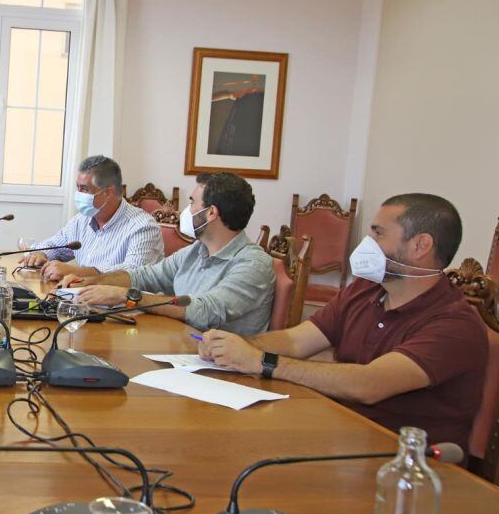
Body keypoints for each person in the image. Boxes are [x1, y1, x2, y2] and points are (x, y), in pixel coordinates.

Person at [199, 193, 487, 453]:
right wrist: (232, 345)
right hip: (340, 434)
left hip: (403, 464)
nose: (366, 244)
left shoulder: (454, 324)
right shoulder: (365, 289)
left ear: (420, 245)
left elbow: (369, 384)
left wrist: (262, 361)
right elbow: (297, 341)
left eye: (378, 234)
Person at [60, 172, 274, 335]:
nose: (185, 211)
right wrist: (92, 281)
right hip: (183, 348)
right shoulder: (196, 250)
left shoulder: (253, 264)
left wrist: (127, 297)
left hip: (226, 372)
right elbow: (146, 276)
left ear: (211, 213)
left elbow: (205, 312)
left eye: (192, 202)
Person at [19, 155, 162, 282]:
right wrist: (41, 255)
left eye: (84, 189)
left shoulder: (143, 226)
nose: (78, 194)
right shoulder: (81, 220)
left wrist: (75, 271)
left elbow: (135, 274)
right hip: (82, 301)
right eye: (78, 187)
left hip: (126, 308)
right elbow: (55, 246)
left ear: (108, 193)